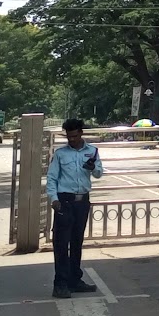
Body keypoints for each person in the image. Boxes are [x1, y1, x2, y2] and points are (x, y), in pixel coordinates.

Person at [47, 118, 104, 298]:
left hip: (82, 202)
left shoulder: (93, 151)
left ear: (81, 133)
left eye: (74, 136)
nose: (71, 139)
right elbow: (52, 178)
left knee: (77, 241)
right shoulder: (60, 154)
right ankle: (60, 283)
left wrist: (93, 167)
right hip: (65, 201)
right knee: (62, 243)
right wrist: (54, 199)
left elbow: (99, 173)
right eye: (68, 136)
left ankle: (74, 280)